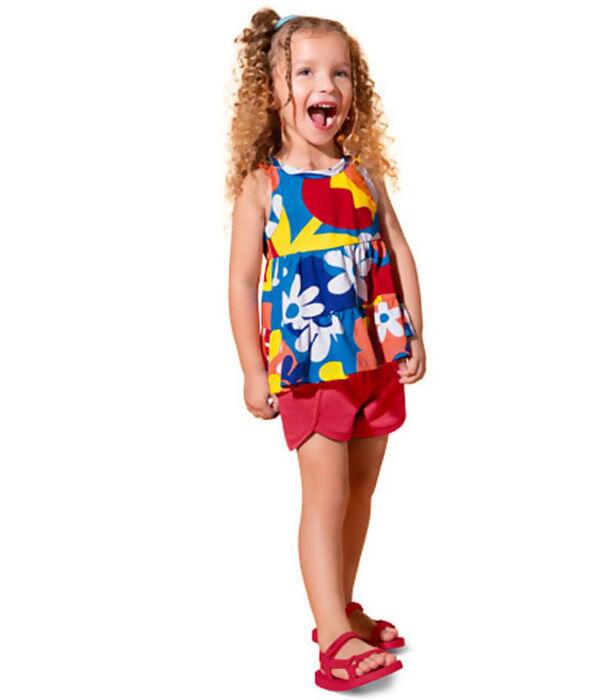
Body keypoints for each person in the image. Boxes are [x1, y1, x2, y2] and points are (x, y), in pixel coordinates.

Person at [227, 9, 426, 692]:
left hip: (376, 358)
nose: (327, 85)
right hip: (310, 365)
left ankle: (338, 608)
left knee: (362, 487)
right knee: (327, 492)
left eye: (340, 72)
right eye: (307, 71)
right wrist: (252, 369)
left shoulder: (363, 175)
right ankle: (334, 639)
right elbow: (241, 280)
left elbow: (398, 249)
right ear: (273, 92)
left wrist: (414, 331)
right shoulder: (264, 185)